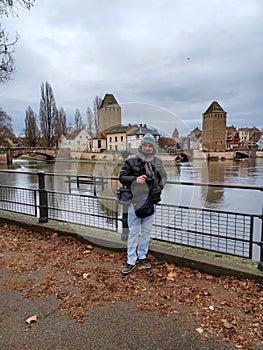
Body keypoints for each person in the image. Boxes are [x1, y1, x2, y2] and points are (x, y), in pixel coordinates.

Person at [118, 133, 167, 275]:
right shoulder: (131, 160)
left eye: (150, 145)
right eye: (145, 145)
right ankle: (131, 260)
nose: (147, 148)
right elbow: (121, 177)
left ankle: (142, 256)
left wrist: (160, 187)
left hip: (151, 201)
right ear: (141, 147)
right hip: (135, 200)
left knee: (146, 232)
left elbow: (163, 176)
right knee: (134, 231)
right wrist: (135, 179)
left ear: (153, 147)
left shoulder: (158, 161)